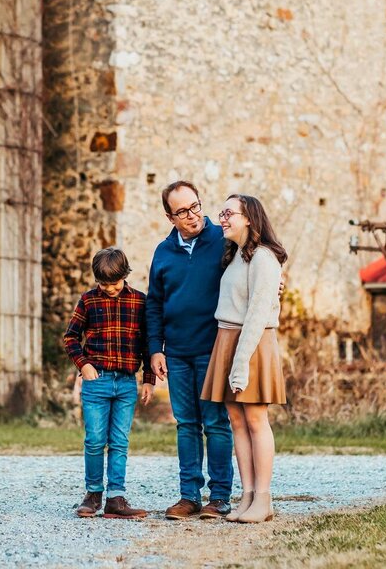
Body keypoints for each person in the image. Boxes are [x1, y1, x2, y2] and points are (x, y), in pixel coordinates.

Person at [145, 180, 233, 520]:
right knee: (186, 424)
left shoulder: (222, 240)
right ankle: (189, 496)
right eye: (182, 211)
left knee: (215, 422)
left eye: (195, 206)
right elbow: (154, 304)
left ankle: (220, 496)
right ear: (170, 217)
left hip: (213, 348)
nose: (193, 215)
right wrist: (156, 350)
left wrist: (277, 280)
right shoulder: (163, 252)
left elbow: (255, 263)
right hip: (177, 352)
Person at [202, 194, 287, 524]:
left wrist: (240, 363)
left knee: (254, 419)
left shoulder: (264, 259)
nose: (222, 218)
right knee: (236, 421)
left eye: (228, 213)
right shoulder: (236, 256)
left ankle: (263, 499)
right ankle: (248, 496)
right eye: (221, 212)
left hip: (251, 342)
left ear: (249, 217)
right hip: (227, 338)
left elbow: (257, 314)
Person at [63, 247, 156, 520]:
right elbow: (70, 338)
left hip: (127, 383)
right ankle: (93, 494)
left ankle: (116, 498)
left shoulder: (140, 301)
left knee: (119, 441)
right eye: (103, 283)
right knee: (94, 440)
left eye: (114, 283)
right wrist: (84, 364)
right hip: (96, 382)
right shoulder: (89, 301)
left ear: (125, 276)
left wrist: (148, 380)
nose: (109, 288)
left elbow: (148, 344)